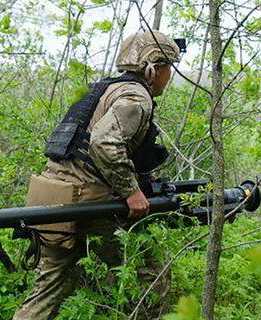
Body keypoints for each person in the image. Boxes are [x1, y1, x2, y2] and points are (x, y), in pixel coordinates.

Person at [13, 30, 181, 320]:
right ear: (154, 67)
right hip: (90, 202)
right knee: (151, 277)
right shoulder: (135, 96)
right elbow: (104, 142)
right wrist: (132, 192)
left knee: (46, 292)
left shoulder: (103, 89)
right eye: (169, 68)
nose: (169, 76)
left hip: (52, 200)